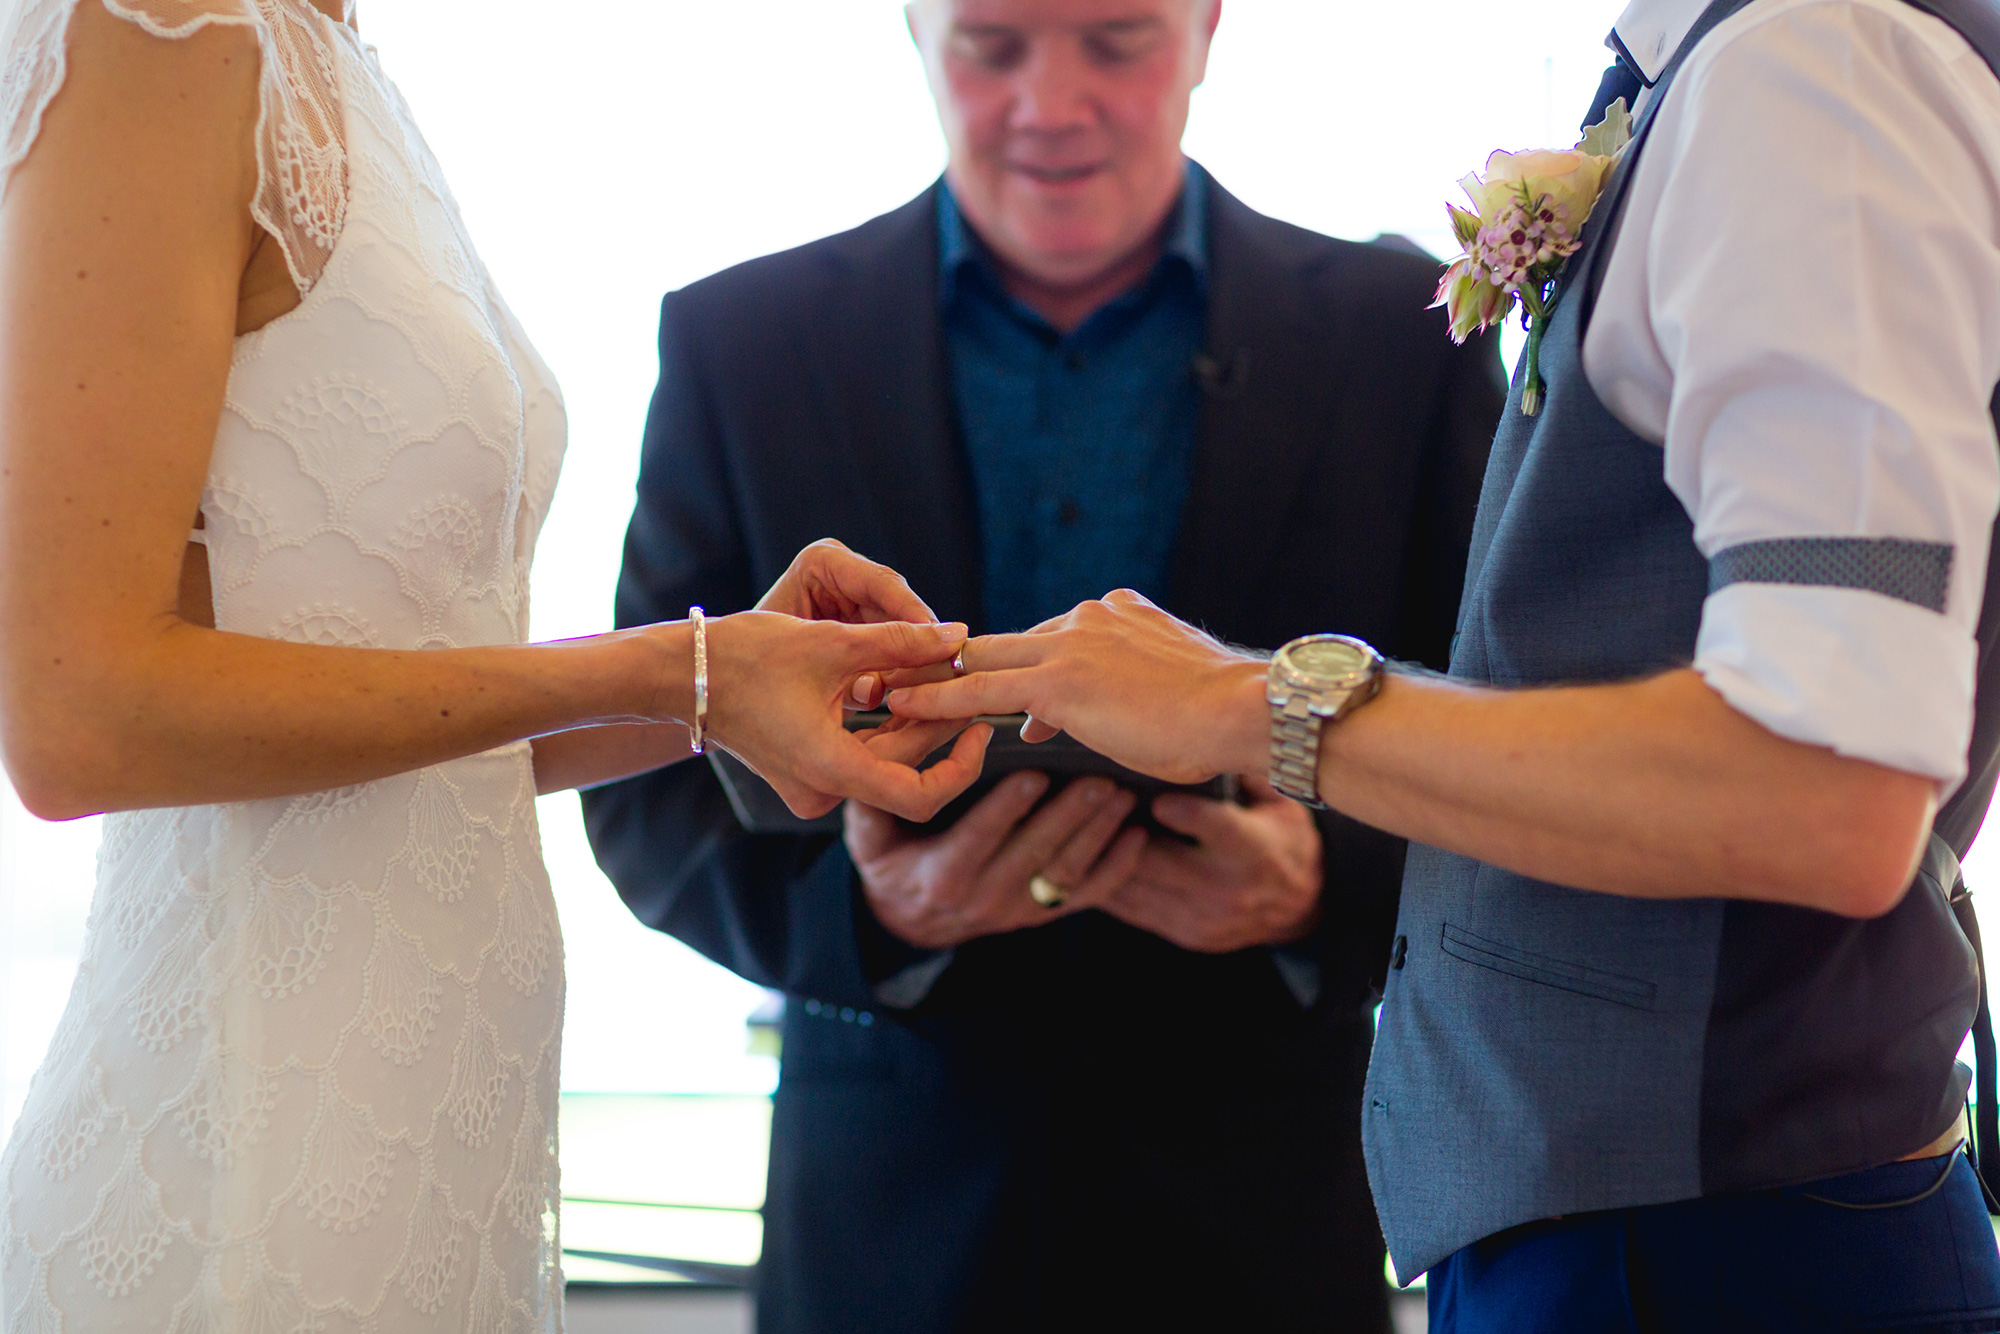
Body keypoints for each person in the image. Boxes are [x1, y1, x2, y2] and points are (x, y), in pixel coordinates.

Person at [888, 0, 2000, 1328]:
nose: (1053, 98)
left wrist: (1249, 702)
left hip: (1708, 1242)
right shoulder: (1750, 66)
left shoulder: (1818, 69)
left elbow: (1829, 781)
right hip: (1624, 1220)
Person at [0, 2, 985, 1328]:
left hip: (430, 1113)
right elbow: (78, 717)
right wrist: (676, 671)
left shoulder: (336, 53)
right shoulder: (161, 32)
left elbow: (386, 710)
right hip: (255, 1137)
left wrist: (735, 686)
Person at [581, 0, 1501, 1329]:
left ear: (1206, 29)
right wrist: (874, 920)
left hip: (1270, 1214)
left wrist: (1322, 891)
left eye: (1115, 38)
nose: (1049, 104)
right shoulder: (743, 342)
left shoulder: (1403, 338)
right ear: (913, 34)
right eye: (992, 44)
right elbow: (643, 788)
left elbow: (1518, 745)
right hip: (886, 1227)